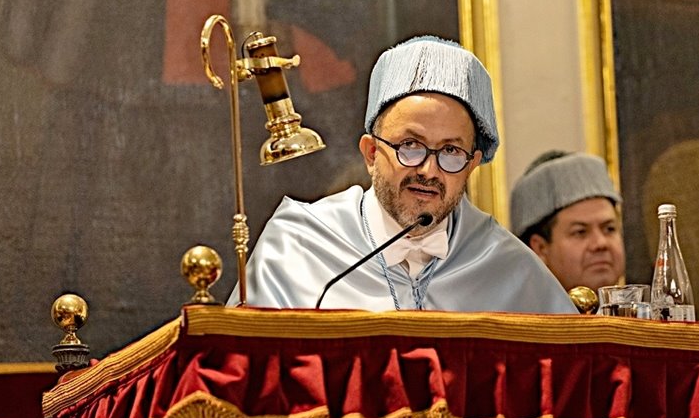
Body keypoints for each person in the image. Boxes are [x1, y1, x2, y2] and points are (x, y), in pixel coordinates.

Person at [233, 36, 577, 313]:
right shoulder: (299, 246)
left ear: (472, 165)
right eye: (410, 145)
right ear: (371, 152)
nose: (429, 170)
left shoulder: (506, 265)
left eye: (451, 152)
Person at [510, 151, 626, 293]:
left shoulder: (645, 313)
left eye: (609, 229)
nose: (600, 243)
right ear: (540, 248)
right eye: (580, 232)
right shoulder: (519, 313)